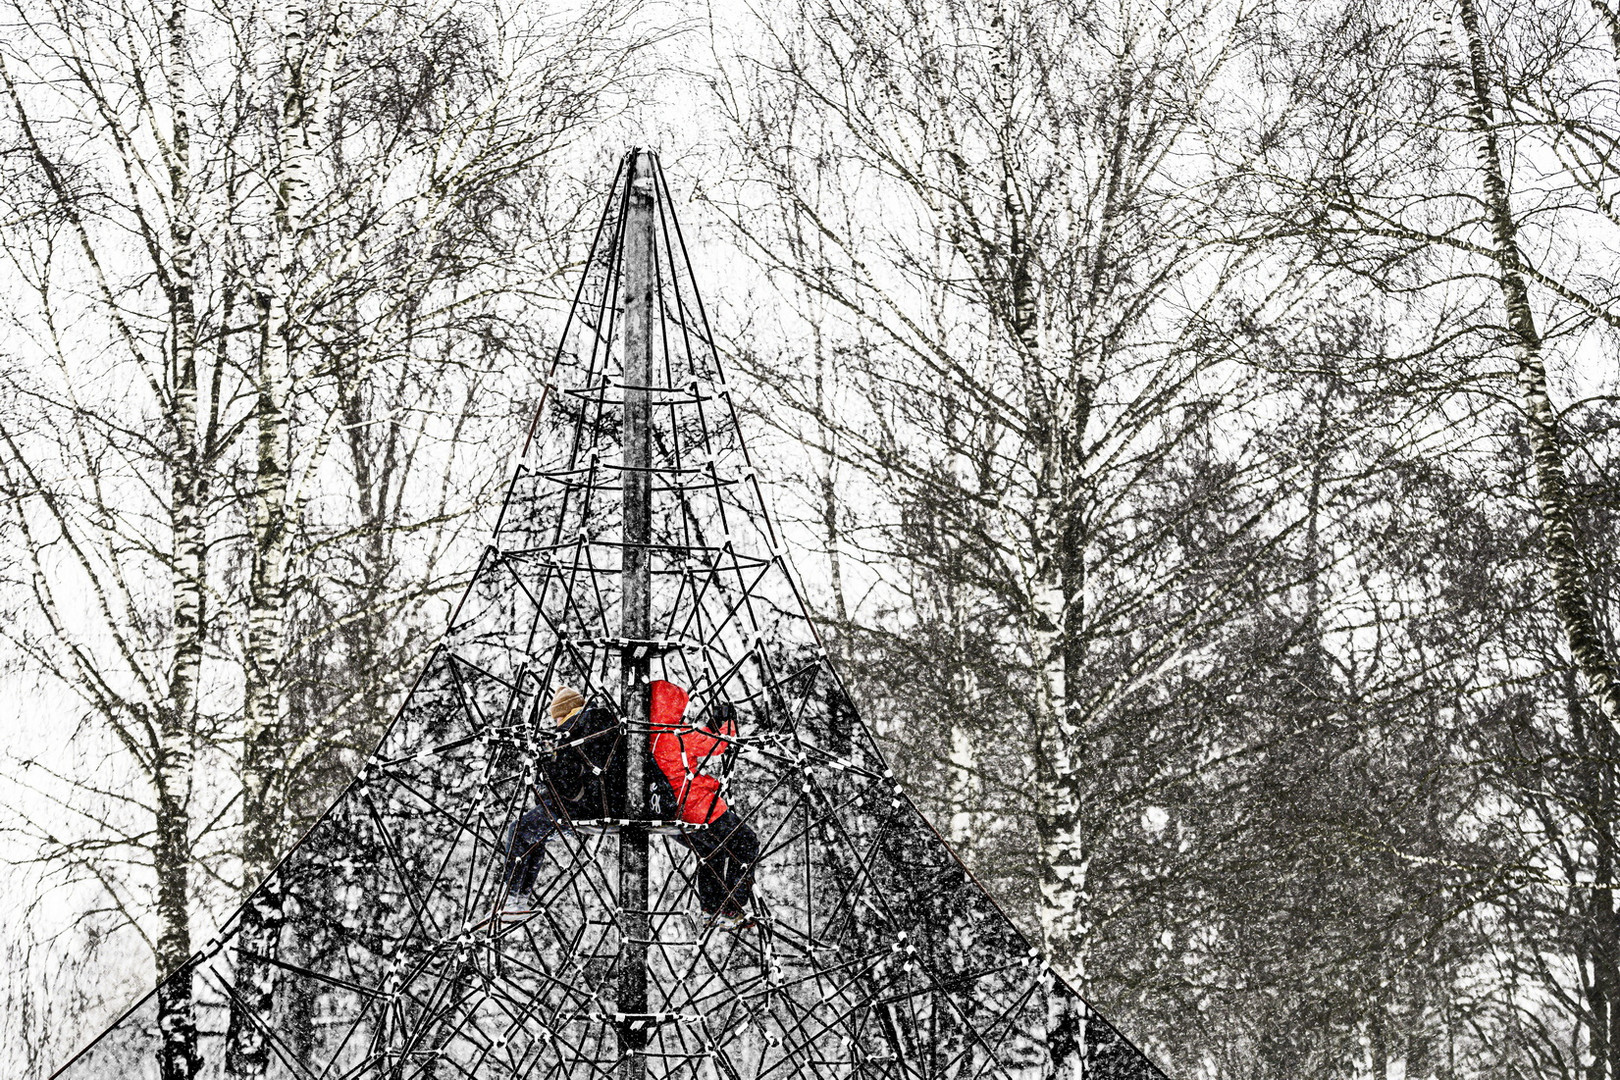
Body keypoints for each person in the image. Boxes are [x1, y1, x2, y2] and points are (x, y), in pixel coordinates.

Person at [649, 679, 760, 931]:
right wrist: (727, 723)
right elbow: (719, 744)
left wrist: (711, 727)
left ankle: (711, 908)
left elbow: (698, 744)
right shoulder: (677, 734)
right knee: (745, 842)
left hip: (673, 810)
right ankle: (733, 906)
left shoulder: (651, 736)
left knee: (712, 852)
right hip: (699, 806)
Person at [501, 685, 622, 906]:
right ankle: (518, 898)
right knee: (533, 835)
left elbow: (565, 780)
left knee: (518, 831)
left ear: (563, 713)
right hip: (611, 802)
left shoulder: (571, 731)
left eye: (557, 718)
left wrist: (546, 765)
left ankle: (513, 897)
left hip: (585, 806)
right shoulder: (603, 724)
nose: (556, 723)